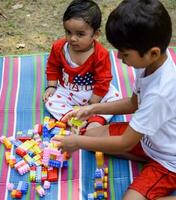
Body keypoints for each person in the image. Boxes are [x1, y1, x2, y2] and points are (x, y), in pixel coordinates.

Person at [54, 0, 176, 199]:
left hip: (168, 161)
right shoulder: (148, 64)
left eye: (125, 53)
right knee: (91, 139)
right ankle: (144, 158)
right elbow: (133, 103)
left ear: (153, 53)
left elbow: (125, 143)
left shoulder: (160, 93)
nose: (119, 57)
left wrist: (76, 142)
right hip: (148, 139)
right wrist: (93, 109)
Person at [43, 0, 120, 130]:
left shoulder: (100, 54)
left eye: (80, 34)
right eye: (68, 32)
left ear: (95, 34)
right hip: (68, 90)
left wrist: (92, 104)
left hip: (95, 92)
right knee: (50, 101)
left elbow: (103, 81)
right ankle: (72, 118)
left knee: (115, 99)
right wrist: (51, 85)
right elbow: (52, 66)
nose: (72, 38)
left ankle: (96, 120)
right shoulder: (59, 48)